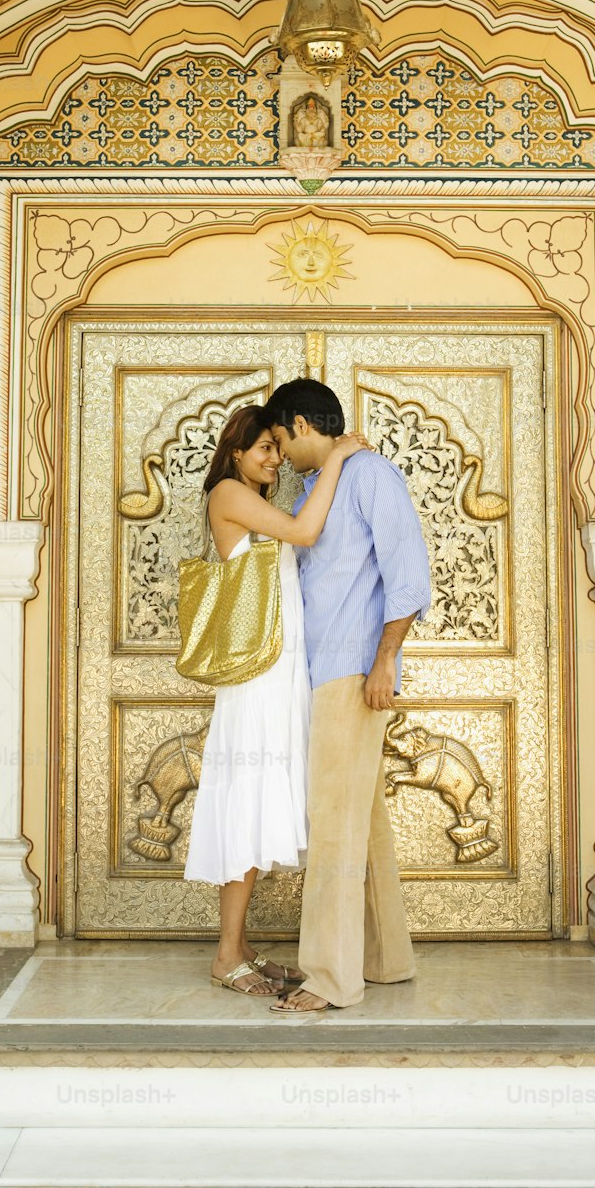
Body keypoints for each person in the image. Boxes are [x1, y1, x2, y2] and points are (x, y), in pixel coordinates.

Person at [183, 403, 369, 996]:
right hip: (255, 680)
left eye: (275, 445)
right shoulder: (228, 496)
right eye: (263, 448)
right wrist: (337, 457)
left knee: (259, 804)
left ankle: (238, 948)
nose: (274, 457)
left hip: (276, 674)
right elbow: (306, 531)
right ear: (235, 453)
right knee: (246, 803)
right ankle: (225, 956)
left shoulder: (257, 502)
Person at [262, 379, 431, 1012]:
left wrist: (384, 660)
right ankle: (385, 959)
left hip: (353, 673)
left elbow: (408, 575)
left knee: (333, 826)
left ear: (303, 425)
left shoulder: (371, 475)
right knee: (363, 822)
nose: (278, 455)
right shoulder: (318, 487)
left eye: (280, 440)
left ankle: (330, 979)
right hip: (321, 675)